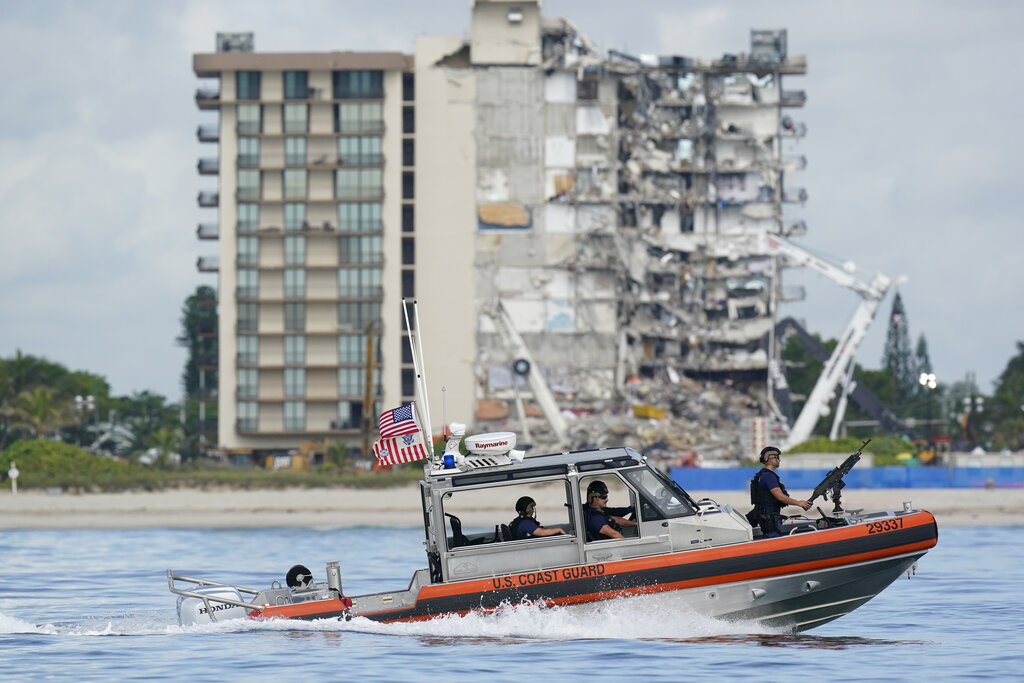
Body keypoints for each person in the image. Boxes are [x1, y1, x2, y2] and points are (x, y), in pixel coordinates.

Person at [749, 446, 811, 538]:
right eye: (777, 457)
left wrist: (778, 486)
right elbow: (780, 497)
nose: (779, 460)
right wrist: (799, 503)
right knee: (772, 539)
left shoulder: (762, 474)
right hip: (769, 517)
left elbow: (766, 492)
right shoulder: (768, 476)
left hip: (765, 515)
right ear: (769, 459)